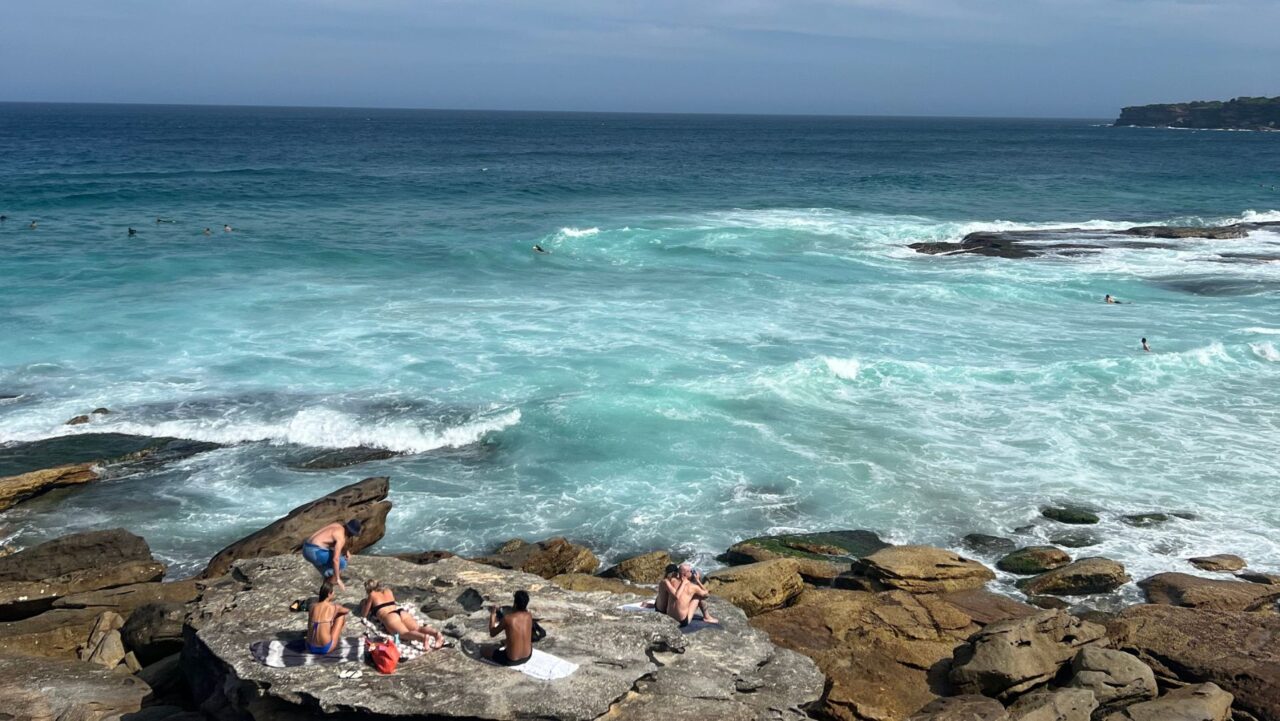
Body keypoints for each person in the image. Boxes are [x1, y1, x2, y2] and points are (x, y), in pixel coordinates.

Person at [361, 579, 445, 650]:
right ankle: (436, 634)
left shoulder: (372, 595)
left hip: (390, 617)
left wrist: (365, 603)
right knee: (418, 628)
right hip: (401, 612)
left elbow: (364, 614)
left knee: (404, 633)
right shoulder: (388, 591)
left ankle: (422, 638)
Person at [302, 520, 361, 590]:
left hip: (306, 548)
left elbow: (329, 541)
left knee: (329, 570)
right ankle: (328, 590)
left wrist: (346, 551)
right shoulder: (341, 538)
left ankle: (327, 580)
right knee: (342, 563)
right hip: (314, 552)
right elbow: (335, 559)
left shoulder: (336, 525)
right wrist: (338, 578)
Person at [486, 590, 533, 665]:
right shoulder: (529, 615)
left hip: (511, 660)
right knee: (512, 638)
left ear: (515, 604)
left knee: (484, 650)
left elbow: (492, 633)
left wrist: (493, 614)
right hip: (528, 656)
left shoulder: (508, 619)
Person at [306, 581, 349, 655]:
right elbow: (346, 611)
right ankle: (340, 635)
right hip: (325, 648)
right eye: (333, 593)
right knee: (341, 616)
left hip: (309, 646)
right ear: (329, 594)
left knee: (317, 623)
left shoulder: (312, 606)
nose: (334, 594)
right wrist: (335, 614)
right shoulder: (334, 607)